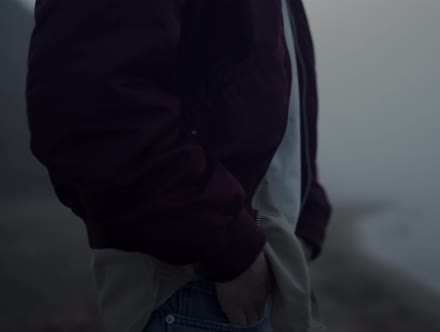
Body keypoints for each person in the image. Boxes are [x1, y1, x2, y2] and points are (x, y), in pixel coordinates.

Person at [25, 0, 331, 331]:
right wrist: (225, 242)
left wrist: (308, 215)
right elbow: (88, 106)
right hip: (196, 276)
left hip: (259, 263)